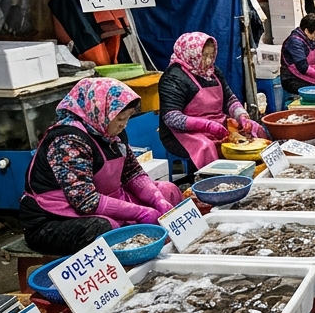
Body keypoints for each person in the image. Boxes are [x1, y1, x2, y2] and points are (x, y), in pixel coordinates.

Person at [21, 78, 183, 255]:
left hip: (106, 200)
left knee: (168, 191)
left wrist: (157, 199)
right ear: (100, 111)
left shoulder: (111, 132)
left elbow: (132, 173)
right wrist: (140, 212)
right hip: (53, 218)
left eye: (127, 118)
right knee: (106, 230)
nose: (124, 124)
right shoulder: (68, 141)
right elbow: (86, 201)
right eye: (120, 118)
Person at [158, 32, 266, 170]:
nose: (208, 61)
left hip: (217, 125)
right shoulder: (173, 78)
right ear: (191, 54)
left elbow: (230, 99)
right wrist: (207, 126)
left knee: (255, 128)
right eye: (203, 56)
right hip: (182, 134)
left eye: (211, 55)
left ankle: (257, 172)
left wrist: (242, 116)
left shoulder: (213, 72)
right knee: (206, 146)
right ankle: (213, 181)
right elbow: (171, 118)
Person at [280, 14, 315, 96]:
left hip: (307, 75)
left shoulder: (309, 38)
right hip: (292, 80)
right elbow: (303, 68)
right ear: (306, 30)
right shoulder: (295, 42)